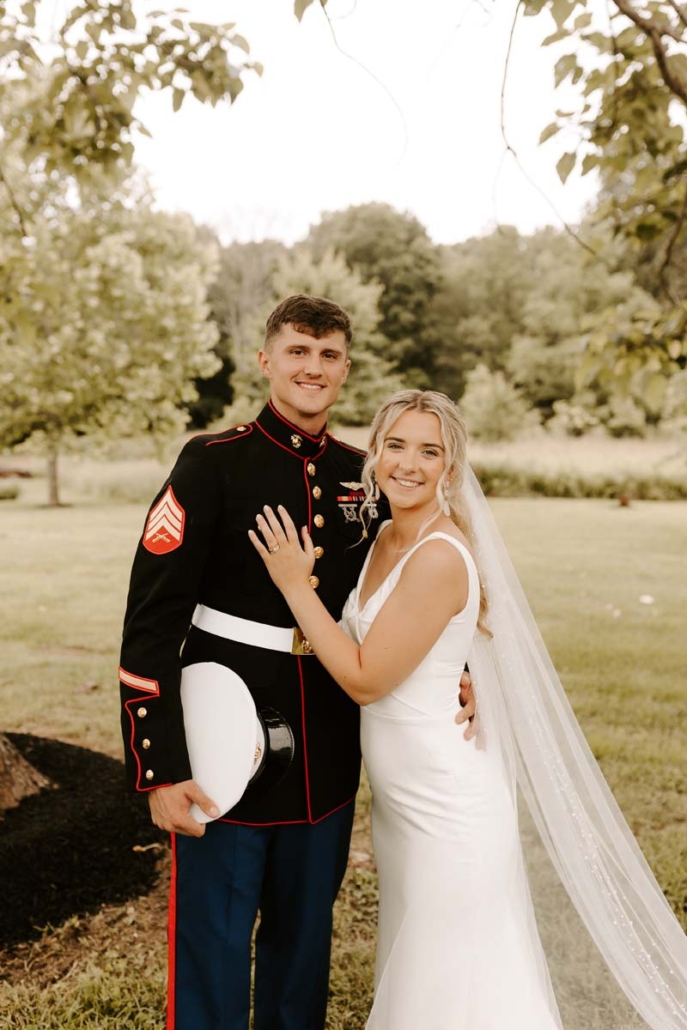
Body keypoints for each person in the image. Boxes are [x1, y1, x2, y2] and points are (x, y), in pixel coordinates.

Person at [250, 389, 687, 1030]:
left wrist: (295, 584)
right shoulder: (386, 535)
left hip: (447, 803)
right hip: (402, 801)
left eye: (429, 451)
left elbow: (366, 679)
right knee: (422, 966)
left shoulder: (435, 555)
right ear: (374, 453)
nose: (409, 464)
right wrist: (467, 670)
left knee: (454, 976)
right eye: (396, 445)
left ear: (451, 467)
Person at [118, 295, 476, 1030]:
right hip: (223, 738)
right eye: (298, 351)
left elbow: (410, 585)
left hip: (328, 746)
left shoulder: (364, 476)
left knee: (303, 943)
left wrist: (458, 666)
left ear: (345, 368)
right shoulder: (212, 462)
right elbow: (151, 621)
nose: (313, 367)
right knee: (213, 942)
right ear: (266, 360)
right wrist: (158, 766)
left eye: (328, 355)